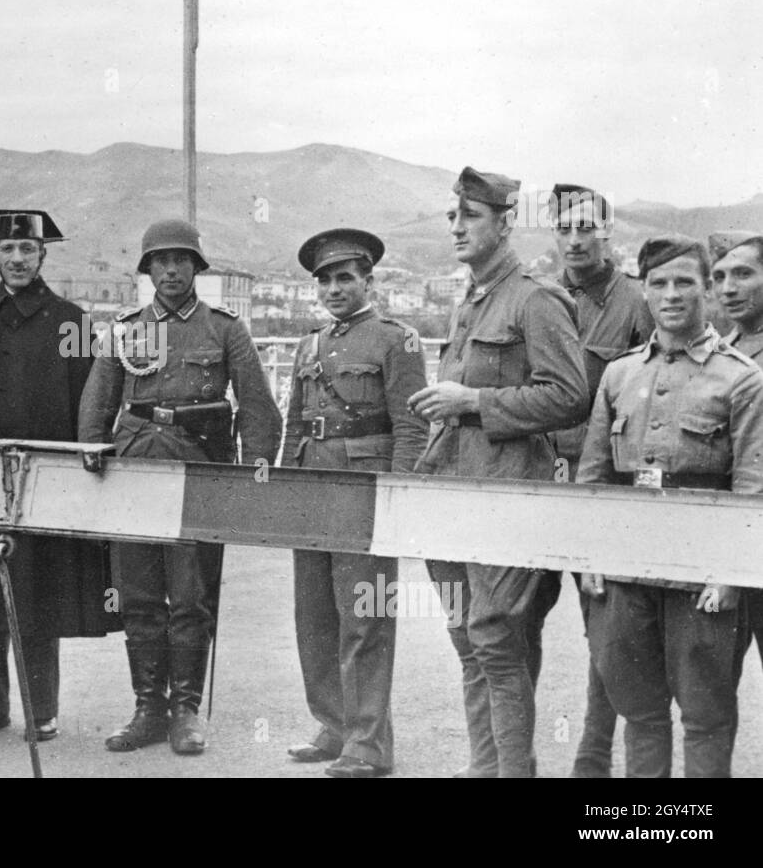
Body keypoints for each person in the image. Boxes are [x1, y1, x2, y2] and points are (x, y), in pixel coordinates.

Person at [408, 167, 589, 777]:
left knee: (494, 639)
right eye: (453, 217)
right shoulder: (472, 300)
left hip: (509, 491)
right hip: (454, 489)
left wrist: (473, 404)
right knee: (467, 641)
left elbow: (569, 396)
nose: (456, 227)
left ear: (506, 223)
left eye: (470, 216)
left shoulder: (536, 299)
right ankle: (486, 767)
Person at [78, 219, 282, 755]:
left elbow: (258, 407)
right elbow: (97, 402)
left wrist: (255, 474)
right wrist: (92, 452)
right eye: (160, 261)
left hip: (199, 468)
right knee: (140, 593)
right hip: (136, 468)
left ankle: (186, 710)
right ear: (146, 270)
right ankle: (148, 707)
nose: (171, 270)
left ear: (197, 267)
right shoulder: (124, 330)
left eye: (181, 260)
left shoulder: (224, 329)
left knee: (191, 594)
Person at [577, 235, 763, 778]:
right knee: (640, 710)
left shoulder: (741, 378)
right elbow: (593, 478)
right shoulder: (619, 374)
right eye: (658, 283)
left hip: (701, 572)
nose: (672, 294)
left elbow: (751, 488)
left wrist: (728, 574)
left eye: (685, 282)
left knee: (706, 715)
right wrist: (590, 556)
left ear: (707, 289)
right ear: (644, 294)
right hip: (628, 567)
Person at [0, 210, 120, 739]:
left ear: (43, 256)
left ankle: (41, 709)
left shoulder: (71, 321)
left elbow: (91, 404)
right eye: (7, 250)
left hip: (42, 480)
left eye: (28, 250)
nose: (17, 259)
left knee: (36, 591)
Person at [281, 229, 429, 778]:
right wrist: (283, 485)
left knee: (364, 615)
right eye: (324, 279)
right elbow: (296, 423)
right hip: (311, 484)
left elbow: (413, 427)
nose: (334, 288)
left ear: (368, 280)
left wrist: (400, 499)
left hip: (365, 489)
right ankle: (335, 724)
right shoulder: (308, 345)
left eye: (345, 277)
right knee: (314, 613)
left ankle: (368, 743)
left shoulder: (397, 340)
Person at [547, 184, 654, 779]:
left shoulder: (636, 302)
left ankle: (593, 758)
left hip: (607, 483)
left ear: (608, 233)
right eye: (566, 228)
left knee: (607, 625)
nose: (577, 238)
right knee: (512, 619)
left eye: (588, 227)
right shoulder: (543, 299)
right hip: (542, 477)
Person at [708, 232, 763, 682]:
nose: (728, 287)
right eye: (719, 276)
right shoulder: (718, 354)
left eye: (743, 274)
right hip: (729, 537)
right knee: (711, 687)